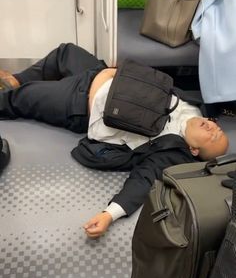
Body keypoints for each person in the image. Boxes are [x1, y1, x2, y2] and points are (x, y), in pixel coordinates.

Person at [0, 43, 229, 238]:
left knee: (18, 100)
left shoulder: (171, 150)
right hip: (100, 73)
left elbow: (144, 179)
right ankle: (16, 79)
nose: (213, 127)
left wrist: (109, 214)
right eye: (217, 129)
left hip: (79, 102)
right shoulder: (194, 105)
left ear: (194, 150)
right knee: (65, 52)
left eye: (212, 137)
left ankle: (12, 89)